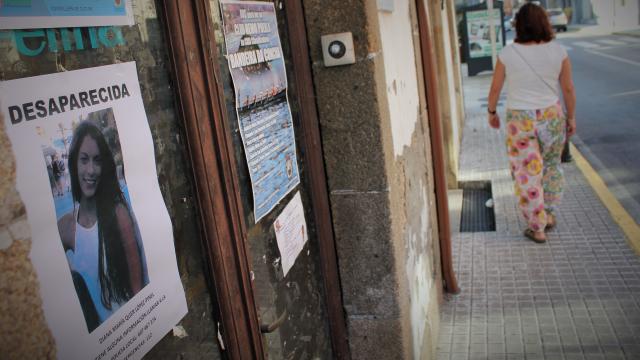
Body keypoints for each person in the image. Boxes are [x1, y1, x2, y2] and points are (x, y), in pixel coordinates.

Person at [487, 3, 576, 243]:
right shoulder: (559, 51)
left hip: (520, 119)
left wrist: (492, 112)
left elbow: (495, 88)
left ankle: (537, 227)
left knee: (527, 171)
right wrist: (572, 117)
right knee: (551, 165)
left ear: (519, 25)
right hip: (552, 116)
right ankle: (549, 214)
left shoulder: (508, 53)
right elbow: (567, 89)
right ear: (544, 23)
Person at [57, 121, 147, 332]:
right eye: (84, 160)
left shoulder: (118, 214)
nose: (91, 170)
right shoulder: (65, 227)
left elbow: (137, 290)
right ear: (74, 164)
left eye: (97, 161)